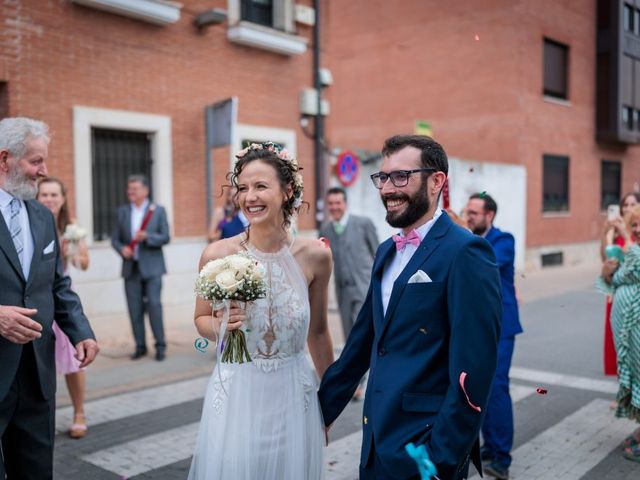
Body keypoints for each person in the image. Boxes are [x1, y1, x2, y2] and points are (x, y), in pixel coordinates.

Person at [318, 134, 502, 480]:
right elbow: (361, 344)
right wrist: (319, 413)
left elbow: (475, 368)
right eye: (383, 178)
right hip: (376, 441)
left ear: (436, 182)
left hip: (426, 450)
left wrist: (439, 459)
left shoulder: (467, 253)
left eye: (401, 176)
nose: (388, 188)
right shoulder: (387, 250)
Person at [188, 142, 334, 479]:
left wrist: (331, 401)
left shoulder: (316, 256)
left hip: (295, 395)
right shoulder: (216, 255)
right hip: (238, 392)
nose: (249, 196)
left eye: (260, 186)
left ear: (287, 192)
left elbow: (319, 332)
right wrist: (221, 324)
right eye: (242, 188)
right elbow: (200, 320)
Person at [0, 117, 98, 478]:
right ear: (4, 158)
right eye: (35, 161)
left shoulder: (42, 216)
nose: (44, 172)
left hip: (37, 374)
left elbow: (56, 285)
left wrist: (81, 331)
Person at [466, 192, 523, 480]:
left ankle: (502, 457)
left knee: (497, 388)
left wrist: (462, 235)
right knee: (479, 388)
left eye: (474, 212)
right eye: (468, 211)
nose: (469, 216)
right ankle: (489, 444)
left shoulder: (504, 240)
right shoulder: (470, 239)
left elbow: (484, 263)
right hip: (477, 327)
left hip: (501, 327)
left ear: (489, 215)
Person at [37, 177, 91, 439]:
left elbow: (84, 264)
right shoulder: (32, 223)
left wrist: (72, 251)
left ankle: (79, 412)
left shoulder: (71, 228)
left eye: (53, 195)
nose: (49, 199)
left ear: (63, 198)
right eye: (44, 194)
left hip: (62, 301)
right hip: (37, 303)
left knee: (74, 360)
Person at [319, 186, 378, 400]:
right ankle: (358, 380)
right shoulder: (325, 229)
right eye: (331, 204)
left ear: (345, 204)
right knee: (348, 336)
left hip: (363, 289)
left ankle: (360, 383)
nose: (335, 207)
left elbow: (377, 254)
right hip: (342, 290)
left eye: (338, 203)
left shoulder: (363, 224)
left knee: (360, 336)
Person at [112, 175, 170, 361]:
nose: (131, 192)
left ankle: (160, 346)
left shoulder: (158, 211)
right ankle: (140, 346)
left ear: (145, 191)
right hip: (131, 268)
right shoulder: (122, 212)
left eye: (135, 189)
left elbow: (166, 237)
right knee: (134, 309)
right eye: (129, 189)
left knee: (154, 305)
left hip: (152, 267)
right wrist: (122, 249)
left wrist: (148, 237)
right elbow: (115, 239)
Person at [602, 204, 640, 463]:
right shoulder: (630, 246)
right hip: (626, 326)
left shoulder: (633, 248)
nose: (636, 228)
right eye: (633, 223)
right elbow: (606, 274)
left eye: (639, 223)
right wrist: (608, 237)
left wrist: (626, 236)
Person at [600, 192, 640, 377]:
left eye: (633, 204)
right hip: (616, 292)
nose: (628, 208)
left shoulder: (635, 231)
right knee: (617, 342)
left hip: (635, 297)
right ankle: (622, 386)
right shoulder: (614, 231)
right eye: (625, 204)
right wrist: (605, 231)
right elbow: (604, 258)